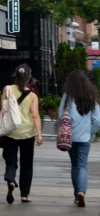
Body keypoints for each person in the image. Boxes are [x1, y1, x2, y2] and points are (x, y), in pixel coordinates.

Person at [1, 63, 43, 204]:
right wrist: (39, 135)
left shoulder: (7, 89)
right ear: (29, 78)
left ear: (15, 75)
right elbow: (35, 116)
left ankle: (11, 179)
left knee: (11, 160)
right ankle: (24, 195)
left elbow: (3, 109)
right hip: (27, 133)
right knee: (26, 164)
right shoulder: (32, 96)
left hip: (10, 131)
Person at [58, 70, 100, 208]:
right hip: (84, 137)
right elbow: (98, 119)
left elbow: (60, 115)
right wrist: (91, 132)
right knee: (82, 165)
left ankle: (77, 195)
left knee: (75, 165)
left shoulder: (67, 96)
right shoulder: (91, 96)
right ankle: (81, 192)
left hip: (69, 137)